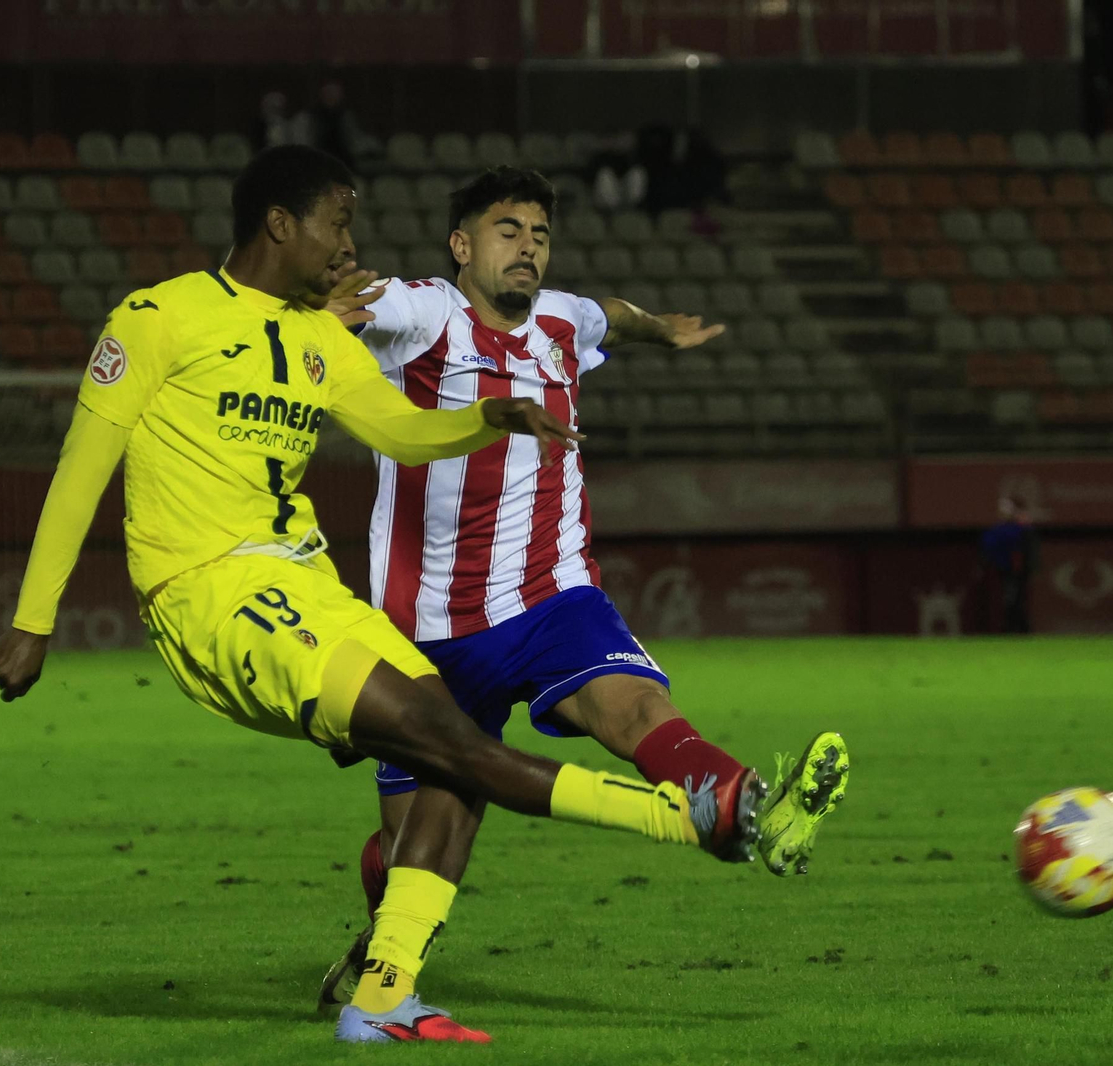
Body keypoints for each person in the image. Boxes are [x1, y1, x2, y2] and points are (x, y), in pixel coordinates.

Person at [0, 147, 786, 1045]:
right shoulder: (160, 316)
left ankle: (383, 999)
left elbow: (401, 432)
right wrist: (32, 620)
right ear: (280, 224)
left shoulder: (325, 338)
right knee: (447, 739)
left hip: (306, 583)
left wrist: (488, 415)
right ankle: (682, 818)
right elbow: (79, 468)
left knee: (448, 752)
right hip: (208, 590)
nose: (349, 245)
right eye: (337, 223)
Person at [313, 166, 851, 1019]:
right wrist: (327, 303)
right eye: (506, 231)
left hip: (553, 599)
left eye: (539, 234)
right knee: (417, 837)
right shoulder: (422, 314)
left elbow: (614, 317)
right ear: (461, 246)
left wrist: (660, 332)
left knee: (633, 706)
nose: (527, 246)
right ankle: (383, 949)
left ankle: (753, 807)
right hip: (427, 635)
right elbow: (349, 308)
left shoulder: (564, 318)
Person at [980, 495, 1038, 634]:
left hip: (1018, 571)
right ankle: (1011, 629)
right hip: (1005, 570)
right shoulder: (998, 531)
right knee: (1010, 601)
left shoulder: (1020, 530)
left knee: (1015, 601)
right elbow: (987, 545)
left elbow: (1028, 549)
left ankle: (1020, 630)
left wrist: (1026, 526)